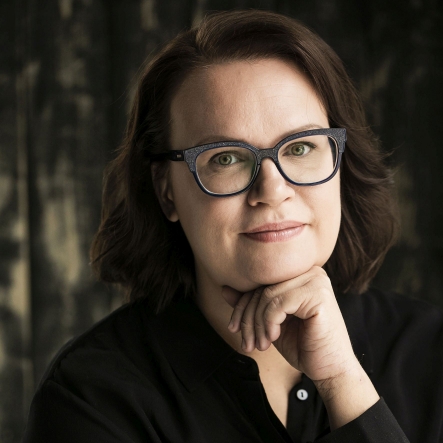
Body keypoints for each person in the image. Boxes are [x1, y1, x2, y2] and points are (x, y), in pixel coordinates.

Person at [22, 9, 443, 443]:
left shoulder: (431, 353)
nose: (272, 190)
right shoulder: (91, 399)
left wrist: (342, 381)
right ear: (166, 191)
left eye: (300, 148)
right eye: (225, 158)